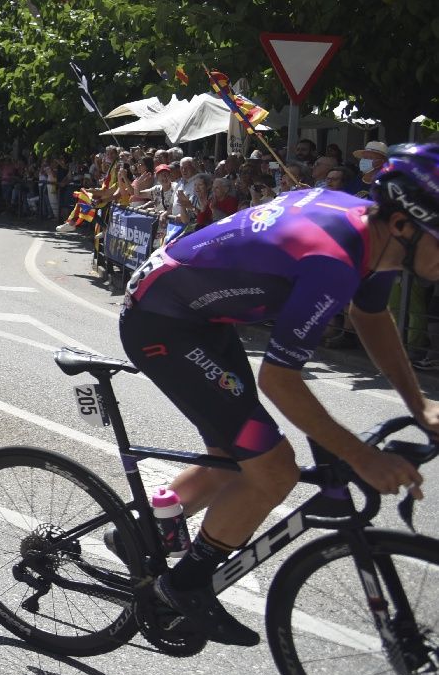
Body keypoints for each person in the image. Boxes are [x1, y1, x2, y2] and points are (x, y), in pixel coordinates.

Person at [118, 144, 439, 647]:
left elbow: (371, 317)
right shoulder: (335, 261)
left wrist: (418, 404)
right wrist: (361, 456)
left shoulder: (374, 239)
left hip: (201, 317)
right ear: (403, 224)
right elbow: (280, 380)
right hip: (163, 324)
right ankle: (185, 586)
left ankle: (138, 535)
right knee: (274, 468)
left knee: (234, 455)